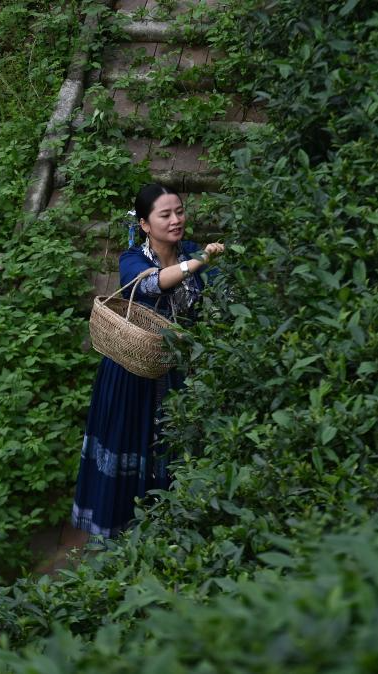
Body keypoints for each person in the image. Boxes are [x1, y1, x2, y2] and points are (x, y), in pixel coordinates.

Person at [71, 183, 224, 538]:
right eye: (165, 215)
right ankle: (121, 535)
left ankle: (167, 532)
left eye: (180, 212)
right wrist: (201, 261)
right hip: (130, 372)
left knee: (171, 446)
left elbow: (220, 294)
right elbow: (154, 285)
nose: (176, 220)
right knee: (129, 441)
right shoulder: (133, 260)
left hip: (175, 371)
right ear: (144, 224)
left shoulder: (190, 251)